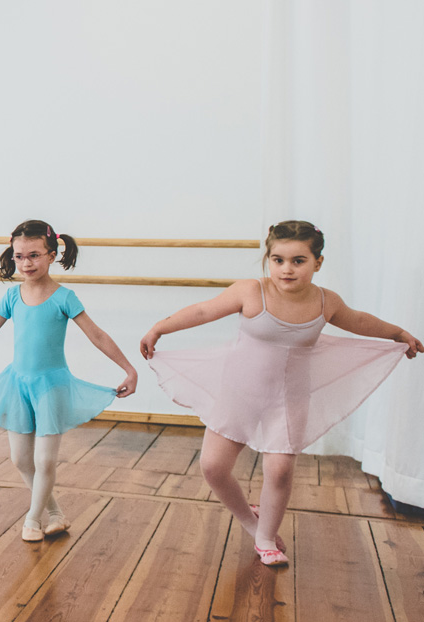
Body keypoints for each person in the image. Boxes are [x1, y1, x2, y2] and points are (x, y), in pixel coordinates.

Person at [143, 220, 418, 565]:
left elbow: (359, 321)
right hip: (239, 393)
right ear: (268, 260)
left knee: (280, 471)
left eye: (298, 261)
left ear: (318, 262)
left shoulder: (325, 301)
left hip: (289, 400)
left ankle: (266, 538)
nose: (286, 269)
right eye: (278, 260)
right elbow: (202, 310)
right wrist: (159, 328)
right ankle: (249, 518)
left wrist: (397, 334)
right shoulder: (250, 291)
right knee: (213, 467)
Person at [0, 219, 137, 542]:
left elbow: (96, 335)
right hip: (17, 384)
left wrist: (128, 369)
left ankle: (32, 519)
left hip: (51, 387)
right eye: (19, 256)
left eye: (34, 255)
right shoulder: (12, 297)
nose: (26, 263)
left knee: (45, 459)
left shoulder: (64, 297)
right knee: (21, 459)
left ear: (52, 254)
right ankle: (55, 513)